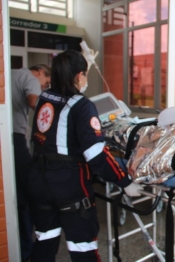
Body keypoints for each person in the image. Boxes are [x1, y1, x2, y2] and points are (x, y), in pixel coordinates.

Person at [26, 49, 143, 262]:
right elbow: (96, 155)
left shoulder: (45, 98)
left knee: (45, 241)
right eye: (84, 74)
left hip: (38, 180)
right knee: (83, 248)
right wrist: (124, 182)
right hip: (68, 185)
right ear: (79, 76)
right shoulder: (82, 105)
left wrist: (86, 62)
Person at [11, 63, 51, 262]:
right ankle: (32, 246)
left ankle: (23, 245)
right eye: (46, 82)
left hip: (7, 138)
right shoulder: (30, 78)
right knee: (31, 190)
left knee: (18, 193)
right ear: (40, 72)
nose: (44, 86)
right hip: (15, 138)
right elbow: (35, 102)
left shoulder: (11, 74)